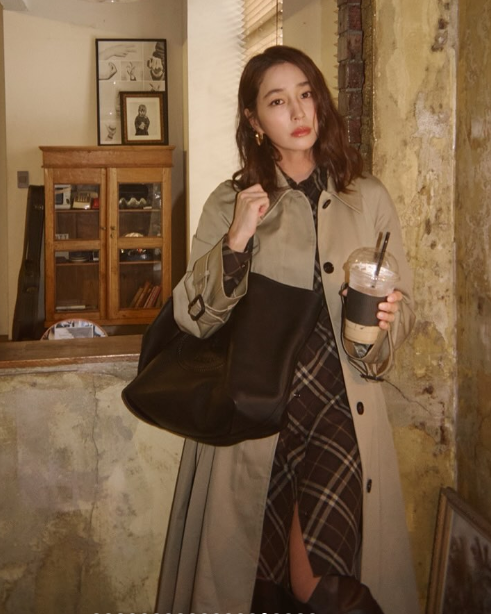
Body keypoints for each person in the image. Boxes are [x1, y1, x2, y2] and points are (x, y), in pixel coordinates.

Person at [156, 46, 420, 614]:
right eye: (277, 102)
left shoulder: (367, 196)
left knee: (320, 582)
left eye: (306, 94)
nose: (299, 111)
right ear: (254, 120)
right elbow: (191, 316)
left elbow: (403, 308)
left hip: (340, 406)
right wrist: (236, 241)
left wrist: (385, 323)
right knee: (259, 582)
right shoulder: (230, 201)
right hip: (261, 415)